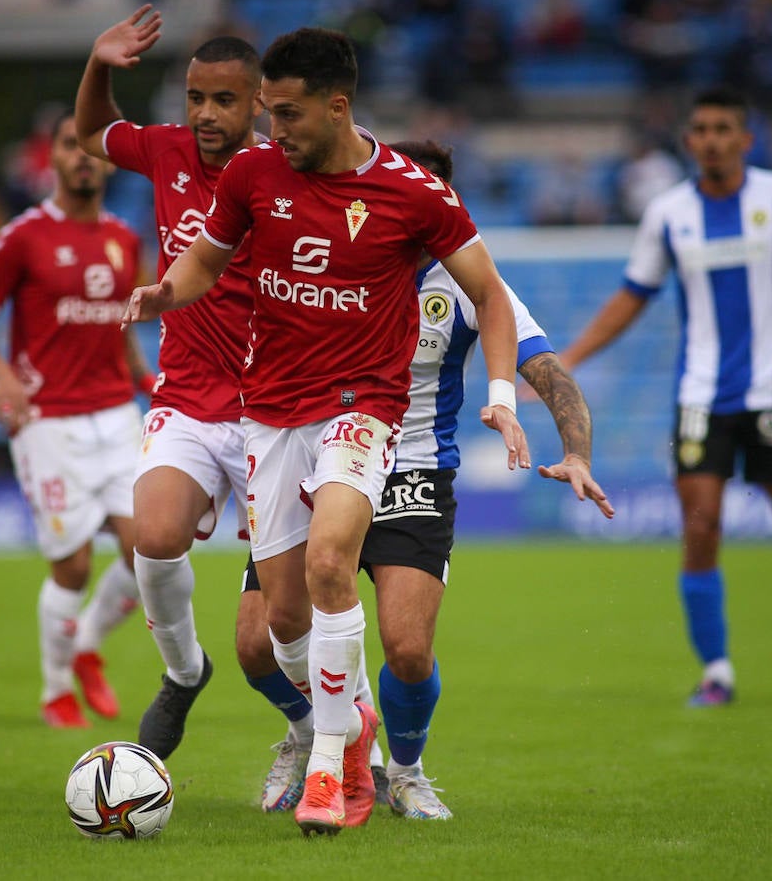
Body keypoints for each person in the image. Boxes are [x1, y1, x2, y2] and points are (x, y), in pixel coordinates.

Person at [123, 27, 530, 837]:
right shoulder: (252, 174)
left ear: (337, 106)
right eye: (268, 112)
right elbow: (206, 259)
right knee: (282, 622)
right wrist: (166, 294)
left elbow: (489, 295)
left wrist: (502, 394)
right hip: (270, 411)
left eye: (288, 114)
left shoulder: (416, 192)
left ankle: (330, 770)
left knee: (329, 560)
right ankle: (350, 727)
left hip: (363, 404)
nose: (273, 129)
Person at [236, 139, 616, 819]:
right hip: (321, 450)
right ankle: (315, 734)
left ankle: (404, 771)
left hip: (412, 466)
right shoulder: (331, 252)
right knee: (255, 641)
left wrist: (577, 452)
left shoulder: (469, 284)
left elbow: (552, 375)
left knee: (408, 650)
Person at [560, 86, 772, 707]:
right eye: (701, 129)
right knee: (700, 534)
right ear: (688, 141)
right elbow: (632, 295)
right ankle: (718, 673)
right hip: (701, 401)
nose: (710, 139)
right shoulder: (668, 212)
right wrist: (567, 360)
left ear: (746, 139)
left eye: (723, 128)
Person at [73, 6, 264, 760]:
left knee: (291, 617)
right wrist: (97, 64)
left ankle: (353, 749)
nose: (206, 113)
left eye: (224, 99)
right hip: (185, 394)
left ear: (258, 104)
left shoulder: (285, 172)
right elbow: (91, 132)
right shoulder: (166, 152)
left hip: (274, 409)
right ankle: (184, 672)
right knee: (153, 539)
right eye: (195, 97)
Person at [0, 114, 153, 728]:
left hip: (116, 413)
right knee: (71, 567)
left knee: (150, 551)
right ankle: (54, 690)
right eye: (71, 146)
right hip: (49, 423)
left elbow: (120, 330)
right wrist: (5, 377)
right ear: (53, 157)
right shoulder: (24, 236)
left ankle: (87, 644)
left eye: (92, 148)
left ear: (108, 160)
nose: (84, 158)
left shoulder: (125, 239)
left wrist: (149, 384)